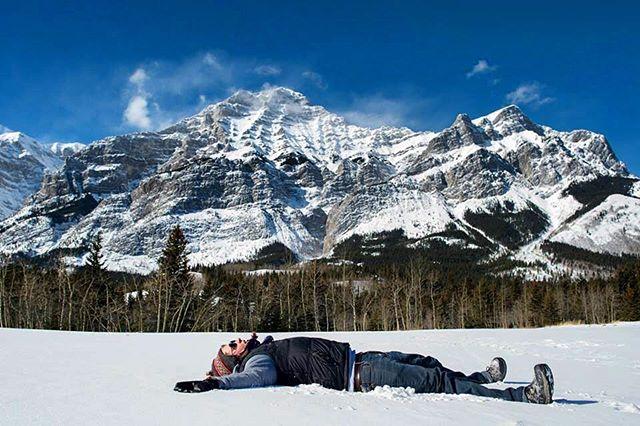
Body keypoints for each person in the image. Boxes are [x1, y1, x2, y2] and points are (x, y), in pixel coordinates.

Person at [174, 334, 554, 404]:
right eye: (232, 344)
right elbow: (257, 379)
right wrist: (216, 385)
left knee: (427, 364)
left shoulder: (263, 347)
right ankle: (524, 396)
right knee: (436, 382)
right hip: (363, 377)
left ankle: (480, 379)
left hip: (362, 358)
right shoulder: (258, 362)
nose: (238, 338)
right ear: (233, 360)